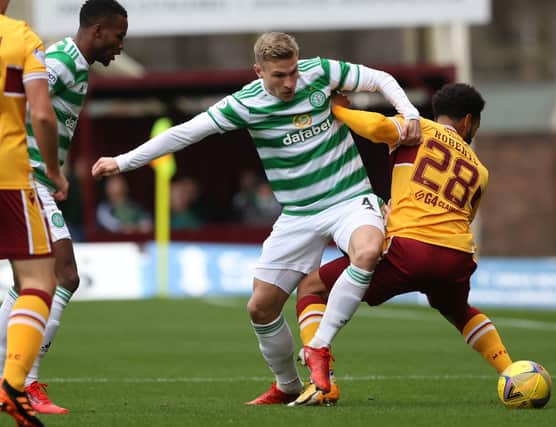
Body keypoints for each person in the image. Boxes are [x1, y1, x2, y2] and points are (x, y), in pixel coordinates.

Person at [91, 31, 422, 405]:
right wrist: (123, 161)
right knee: (260, 308)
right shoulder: (244, 104)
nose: (290, 82)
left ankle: (319, 347)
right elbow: (184, 134)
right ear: (258, 72)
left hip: (348, 198)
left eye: (293, 72)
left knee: (367, 250)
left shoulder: (320, 72)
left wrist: (408, 113)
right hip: (298, 214)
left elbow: (379, 79)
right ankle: (287, 385)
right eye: (279, 75)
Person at [291, 84, 513, 406]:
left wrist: (337, 109)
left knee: (311, 287)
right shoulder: (480, 171)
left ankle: (322, 380)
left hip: (409, 250)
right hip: (457, 255)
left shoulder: (417, 126)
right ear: (468, 121)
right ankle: (512, 372)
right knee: (458, 310)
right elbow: (459, 216)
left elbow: (376, 127)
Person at [0, 0, 128, 415]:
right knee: (61, 274)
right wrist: (51, 170)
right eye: (118, 36)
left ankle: (14, 375)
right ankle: (23, 381)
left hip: (30, 177)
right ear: (98, 30)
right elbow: (34, 111)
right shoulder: (57, 61)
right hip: (26, 178)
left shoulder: (75, 66)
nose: (120, 46)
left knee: (34, 283)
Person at [0, 0, 69, 424]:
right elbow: (42, 114)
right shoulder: (22, 37)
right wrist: (55, 171)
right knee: (40, 280)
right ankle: (12, 381)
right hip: (9, 175)